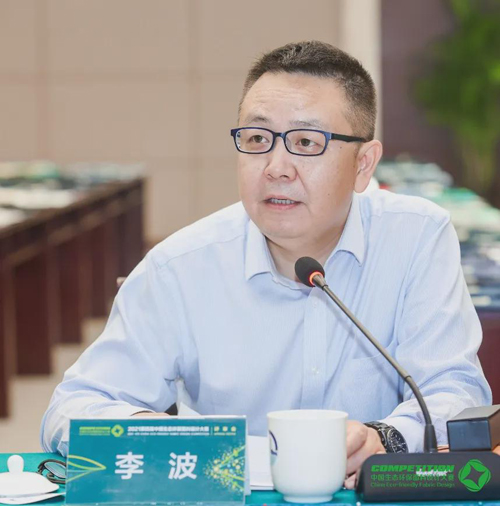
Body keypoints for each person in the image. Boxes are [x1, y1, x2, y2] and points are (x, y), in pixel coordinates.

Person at [41, 41, 491, 489]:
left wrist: (386, 438)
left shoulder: (415, 238)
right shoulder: (180, 267)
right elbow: (71, 409)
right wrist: (156, 433)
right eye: (257, 139)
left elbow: (456, 390)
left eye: (306, 142)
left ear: (363, 164)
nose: (276, 167)